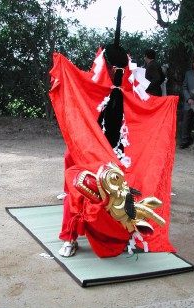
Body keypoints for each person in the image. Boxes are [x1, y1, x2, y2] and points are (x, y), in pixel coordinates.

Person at [50, 8, 179, 258]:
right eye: (112, 67)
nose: (115, 71)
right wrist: (64, 72)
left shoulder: (129, 84)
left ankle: (120, 234)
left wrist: (166, 105)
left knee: (125, 189)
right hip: (88, 147)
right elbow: (80, 92)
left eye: (120, 68)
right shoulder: (94, 84)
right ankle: (70, 236)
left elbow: (142, 105)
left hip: (118, 149)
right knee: (78, 189)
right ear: (106, 63)